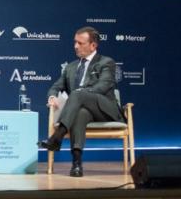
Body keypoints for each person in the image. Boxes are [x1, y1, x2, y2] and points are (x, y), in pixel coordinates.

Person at [37, 26, 124, 177]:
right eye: (75, 42)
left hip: (104, 109)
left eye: (80, 43)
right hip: (83, 110)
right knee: (80, 114)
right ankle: (77, 164)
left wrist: (80, 93)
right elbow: (55, 87)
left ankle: (57, 136)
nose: (75, 46)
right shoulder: (70, 67)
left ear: (93, 45)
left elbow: (102, 86)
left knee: (77, 95)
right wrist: (52, 97)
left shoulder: (106, 62)